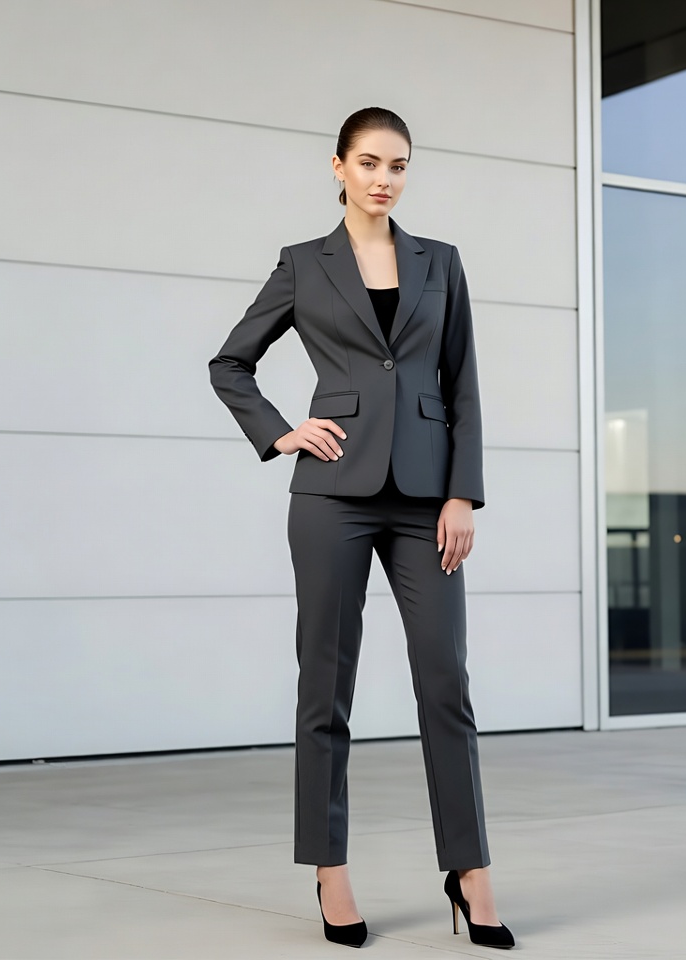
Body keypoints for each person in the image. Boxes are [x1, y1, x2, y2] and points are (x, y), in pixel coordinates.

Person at [209, 107, 513, 950]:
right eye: (370, 162)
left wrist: (462, 495)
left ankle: (469, 871)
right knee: (325, 685)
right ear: (338, 166)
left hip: (426, 499)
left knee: (445, 683)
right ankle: (329, 870)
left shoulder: (440, 262)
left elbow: (462, 385)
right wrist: (281, 433)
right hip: (332, 496)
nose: (385, 178)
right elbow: (230, 363)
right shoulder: (303, 264)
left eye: (399, 165)